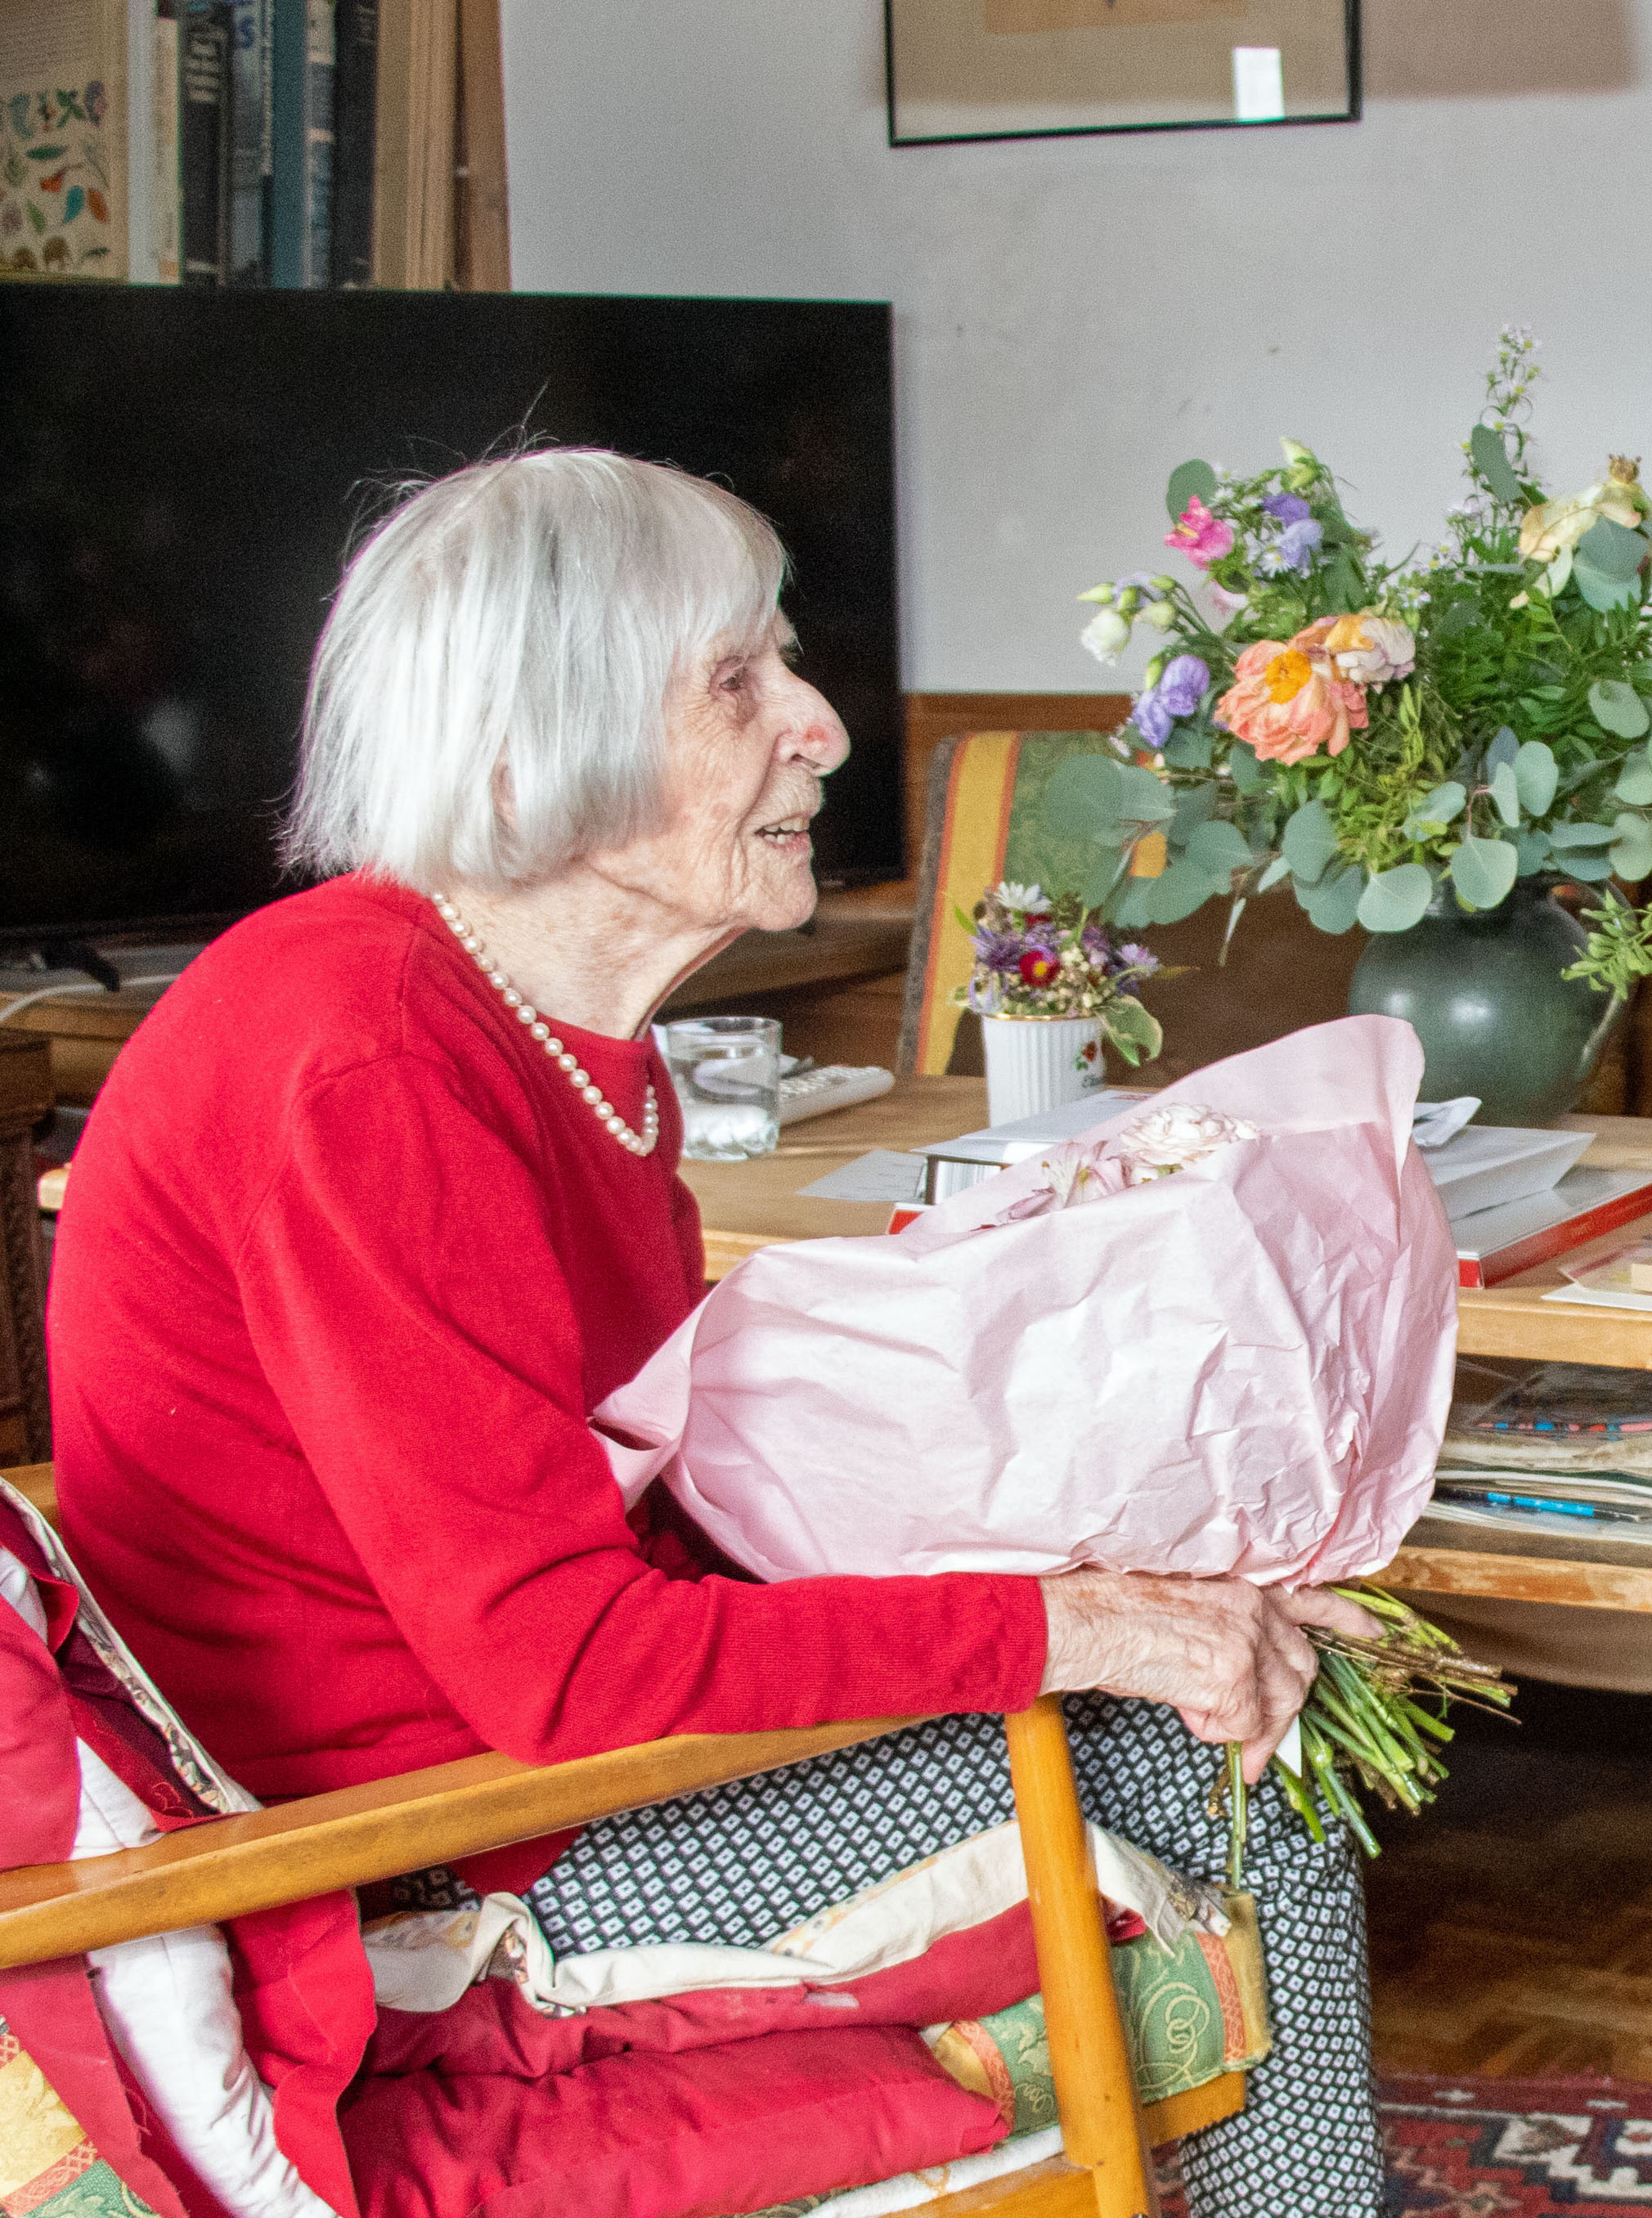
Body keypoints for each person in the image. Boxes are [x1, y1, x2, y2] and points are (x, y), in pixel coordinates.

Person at [47, 449, 1385, 2217]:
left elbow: (660, 1511)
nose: (823, 726)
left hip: (537, 1779)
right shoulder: (361, 1054)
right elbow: (567, 1666)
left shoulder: (558, 1037)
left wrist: (1157, 1580)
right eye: (739, 682)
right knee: (1246, 1779)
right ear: (542, 745)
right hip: (436, 1871)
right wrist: (1080, 1630)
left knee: (1238, 1668)